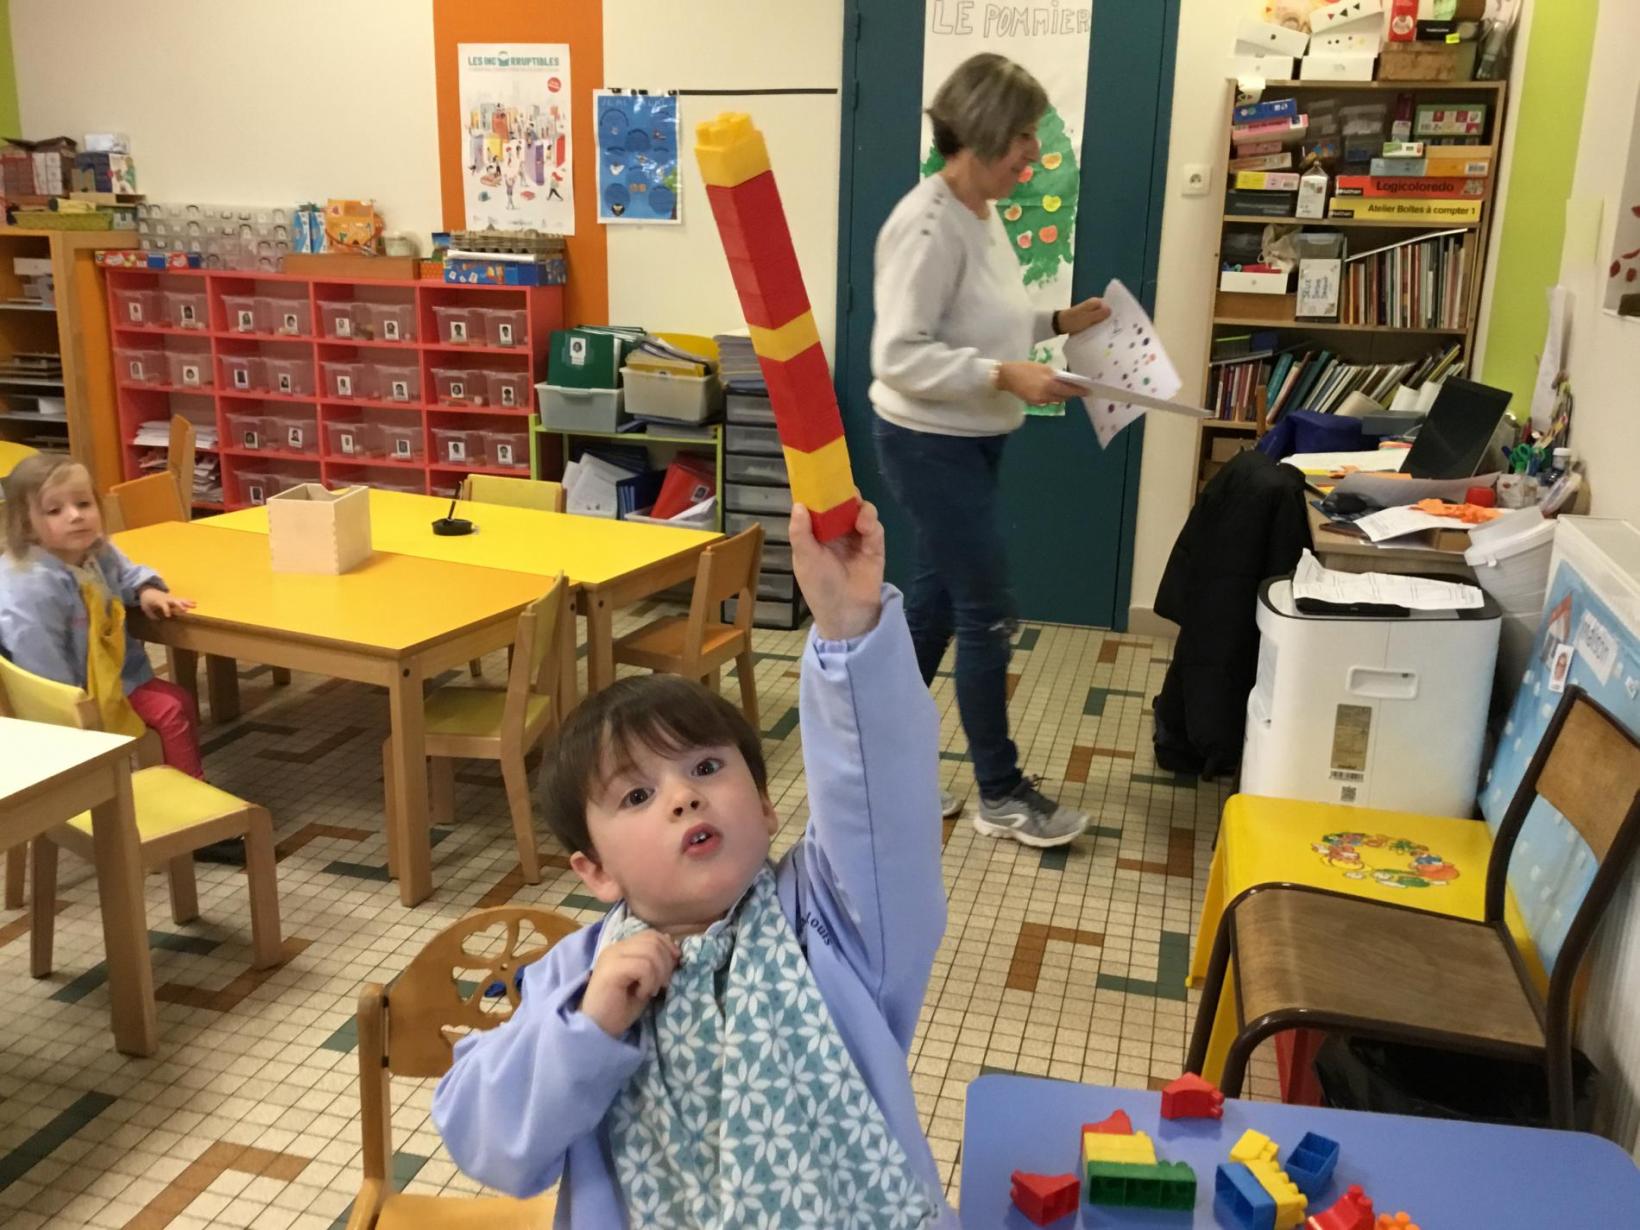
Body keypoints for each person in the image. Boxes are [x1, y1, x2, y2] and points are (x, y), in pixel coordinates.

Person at [433, 500, 957, 1229]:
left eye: (706, 767)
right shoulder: (574, 980)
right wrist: (589, 1026)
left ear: (766, 808)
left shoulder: (834, 921)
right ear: (596, 872)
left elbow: (883, 803)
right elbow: (490, 1143)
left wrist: (848, 627)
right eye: (637, 794)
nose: (683, 796)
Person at [870, 51, 1110, 848]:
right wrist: (1004, 373)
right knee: (986, 609)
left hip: (969, 440)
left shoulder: (980, 212)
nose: (1032, 152)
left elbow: (980, 320)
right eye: (1023, 136)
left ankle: (881, 770)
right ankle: (1001, 794)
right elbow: (897, 356)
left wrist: (1055, 324)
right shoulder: (928, 224)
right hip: (926, 443)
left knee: (939, 603)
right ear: (981, 132)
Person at [0, 454, 201, 775]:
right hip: (73, 701)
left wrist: (146, 589)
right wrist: (80, 716)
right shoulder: (31, 588)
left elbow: (126, 571)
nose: (75, 516)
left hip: (116, 677)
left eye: (83, 503)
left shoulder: (94, 550)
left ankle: (173, 778)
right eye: (54, 510)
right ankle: (189, 790)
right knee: (170, 709)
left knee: (181, 700)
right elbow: (41, 667)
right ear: (26, 525)